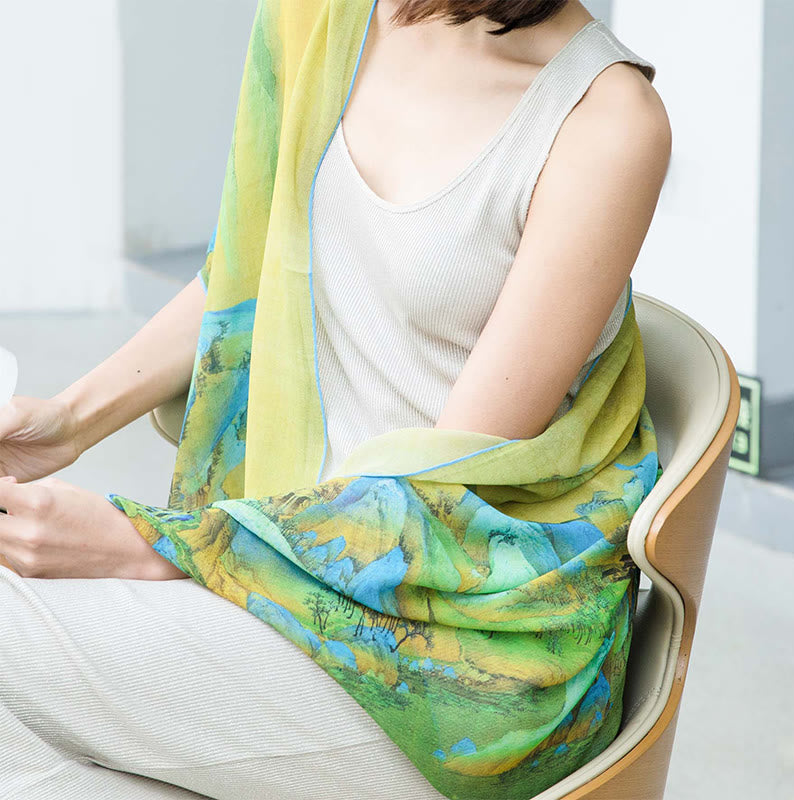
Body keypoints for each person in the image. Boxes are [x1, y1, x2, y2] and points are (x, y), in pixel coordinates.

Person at [0, 0, 670, 797]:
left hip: (455, 652)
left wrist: (154, 547)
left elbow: (446, 488)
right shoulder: (320, 16)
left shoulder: (603, 123)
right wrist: (68, 423)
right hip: (275, 564)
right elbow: (250, 274)